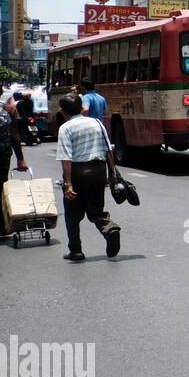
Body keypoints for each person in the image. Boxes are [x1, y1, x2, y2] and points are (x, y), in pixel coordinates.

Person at [54, 92, 121, 261]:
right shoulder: (97, 123)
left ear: (63, 111)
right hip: (99, 171)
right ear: (81, 108)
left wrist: (68, 184)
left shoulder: (65, 128)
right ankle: (109, 228)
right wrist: (112, 174)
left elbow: (66, 158)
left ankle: (76, 250)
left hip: (78, 172)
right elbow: (108, 150)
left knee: (72, 214)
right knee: (96, 209)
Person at [0, 79, 30, 237]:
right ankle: (2, 225)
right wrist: (20, 158)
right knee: (0, 189)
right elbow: (15, 136)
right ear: (1, 92)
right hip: (3, 157)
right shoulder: (10, 109)